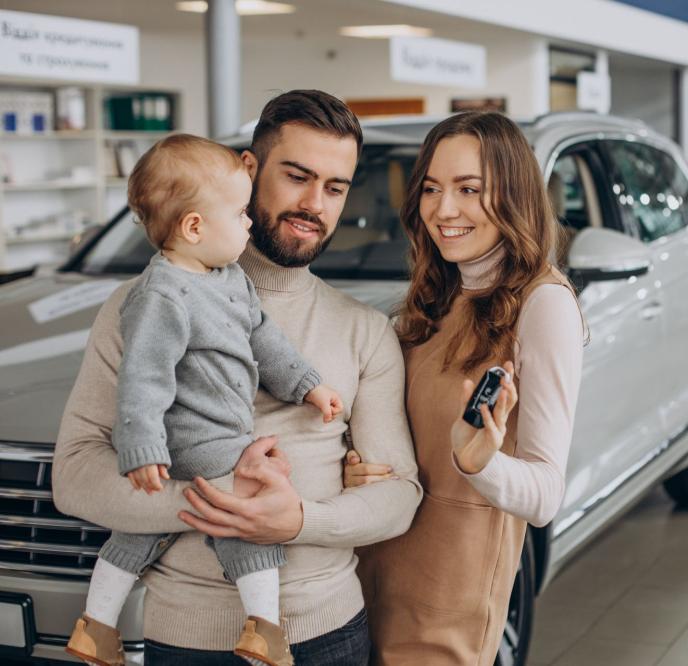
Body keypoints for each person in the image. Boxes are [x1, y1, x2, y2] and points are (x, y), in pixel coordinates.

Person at [53, 90, 421, 666]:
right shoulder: (142, 305)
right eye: (297, 176)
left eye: (335, 187)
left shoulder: (365, 329)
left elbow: (399, 498)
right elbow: (74, 476)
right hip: (186, 638)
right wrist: (224, 502)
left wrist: (297, 519)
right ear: (249, 170)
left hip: (327, 633)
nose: (314, 204)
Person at [347, 111, 585, 664]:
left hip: (447, 597)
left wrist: (480, 463)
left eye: (468, 189)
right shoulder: (435, 294)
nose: (443, 209)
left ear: (513, 195)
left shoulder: (543, 304)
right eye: (431, 188)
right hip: (368, 566)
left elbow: (546, 496)